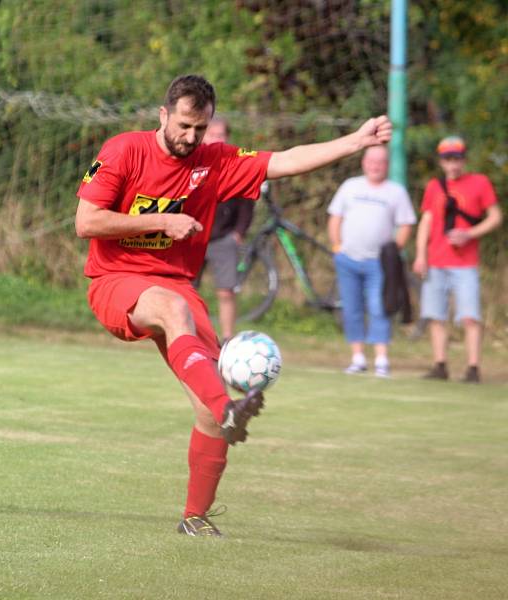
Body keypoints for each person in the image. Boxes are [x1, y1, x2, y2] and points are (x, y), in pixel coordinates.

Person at [75, 74, 391, 536]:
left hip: (177, 284)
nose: (190, 137)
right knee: (175, 316)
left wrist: (355, 142)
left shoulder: (214, 161)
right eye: (183, 125)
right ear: (163, 115)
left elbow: (285, 160)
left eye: (199, 129)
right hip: (115, 280)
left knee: (205, 406)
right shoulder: (124, 150)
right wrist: (165, 222)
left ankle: (195, 516)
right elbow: (86, 221)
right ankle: (229, 406)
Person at [412, 136, 502, 383]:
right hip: (437, 260)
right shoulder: (434, 186)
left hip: (465, 263)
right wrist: (421, 254)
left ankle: (473, 368)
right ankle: (440, 364)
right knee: (435, 315)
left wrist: (469, 234)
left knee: (470, 316)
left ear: (464, 159)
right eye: (448, 159)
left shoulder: (479, 183)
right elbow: (427, 222)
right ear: (441, 162)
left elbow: (495, 217)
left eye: (457, 159)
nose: (453, 164)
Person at [327, 145, 416, 377]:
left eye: (380, 162)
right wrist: (337, 247)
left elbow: (406, 223)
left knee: (379, 307)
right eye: (371, 161)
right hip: (348, 260)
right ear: (364, 163)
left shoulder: (395, 192)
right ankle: (357, 358)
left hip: (379, 263)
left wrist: (394, 251)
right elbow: (335, 217)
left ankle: (381, 360)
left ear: (386, 165)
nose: (375, 166)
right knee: (352, 308)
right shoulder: (350, 186)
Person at [193, 117, 255, 343]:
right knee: (188, 290)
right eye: (212, 135)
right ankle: (192, 334)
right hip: (192, 238)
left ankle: (228, 338)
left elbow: (247, 203)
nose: (217, 139)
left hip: (223, 239)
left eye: (221, 135)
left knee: (226, 291)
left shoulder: (236, 165)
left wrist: (238, 233)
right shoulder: (192, 162)